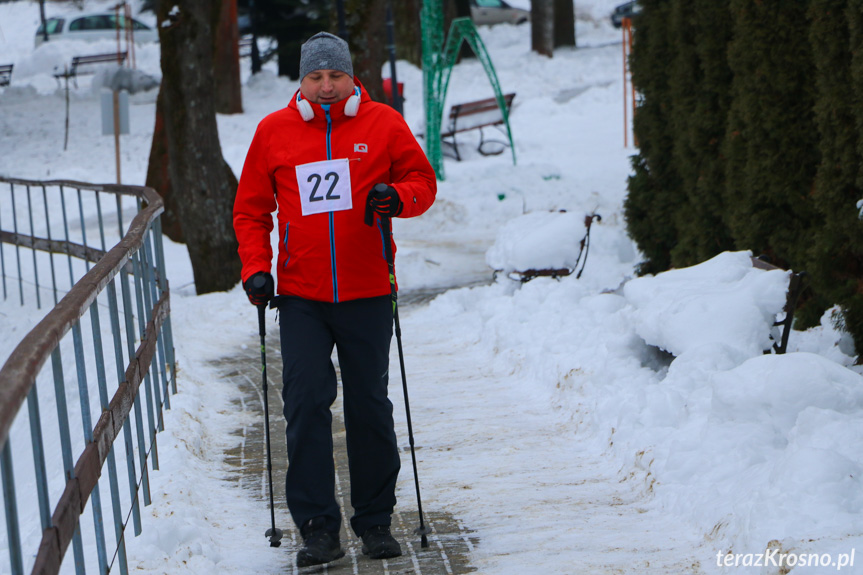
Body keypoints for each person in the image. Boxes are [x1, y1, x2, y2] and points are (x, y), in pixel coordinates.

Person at [232, 31, 437, 568]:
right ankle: (319, 528)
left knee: (369, 405)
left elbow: (422, 180)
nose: (326, 87)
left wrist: (400, 197)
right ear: (301, 81)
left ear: (351, 77)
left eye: (335, 76)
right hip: (301, 297)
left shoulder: (383, 123)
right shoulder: (273, 132)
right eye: (315, 77)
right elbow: (251, 210)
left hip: (369, 291)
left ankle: (374, 523)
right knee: (304, 405)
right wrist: (256, 268)